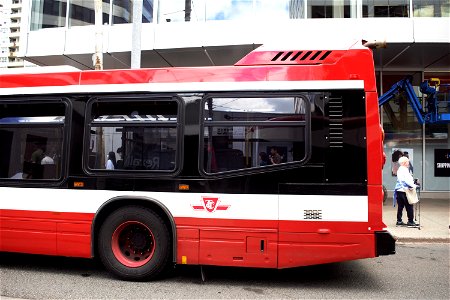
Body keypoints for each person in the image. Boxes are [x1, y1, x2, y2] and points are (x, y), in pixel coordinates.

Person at [394, 156, 419, 227]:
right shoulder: (405, 170)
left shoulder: (399, 169)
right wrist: (414, 186)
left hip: (399, 190)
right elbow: (407, 181)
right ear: (404, 162)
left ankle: (399, 221)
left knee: (400, 207)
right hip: (405, 190)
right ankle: (410, 221)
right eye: (408, 161)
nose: (408, 162)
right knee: (409, 206)